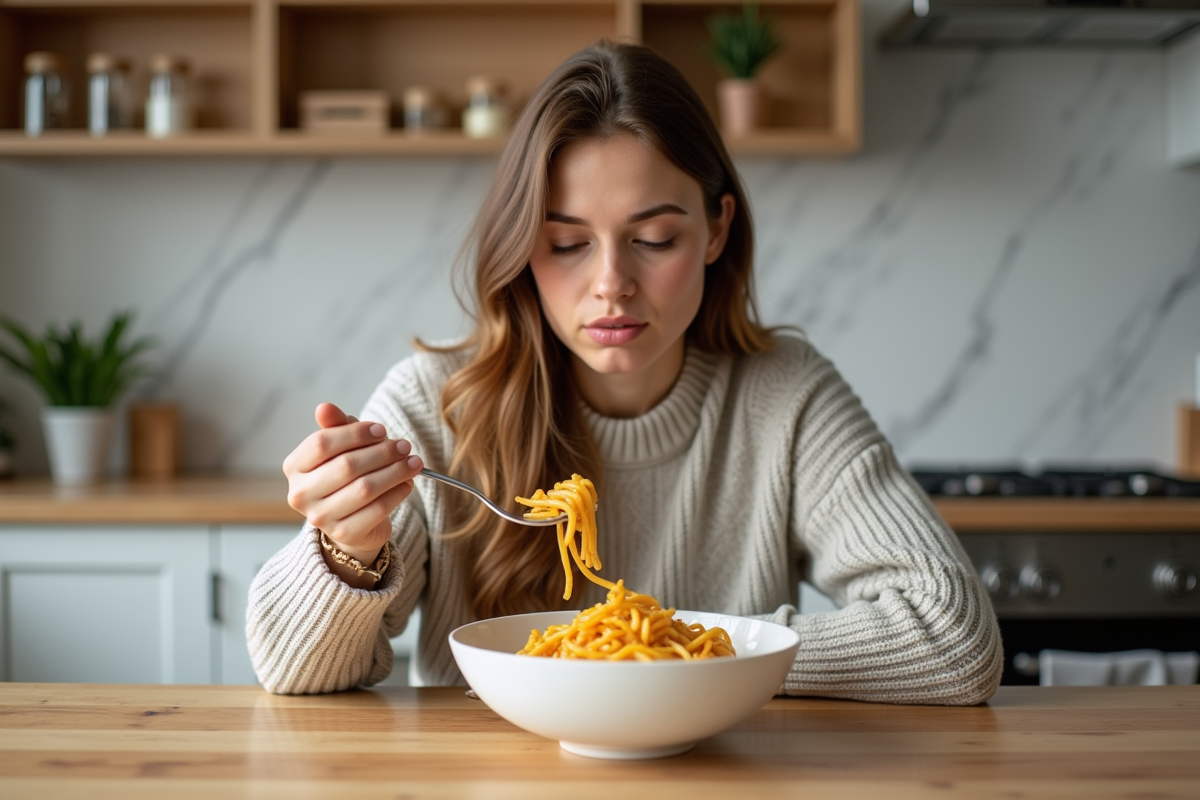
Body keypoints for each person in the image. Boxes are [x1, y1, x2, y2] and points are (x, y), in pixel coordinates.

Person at [247, 41, 1003, 704]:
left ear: (715, 231)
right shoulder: (433, 402)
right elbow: (293, 672)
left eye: (653, 237)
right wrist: (347, 552)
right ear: (521, 251)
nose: (612, 283)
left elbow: (956, 641)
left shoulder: (785, 395)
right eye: (568, 245)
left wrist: (680, 650)